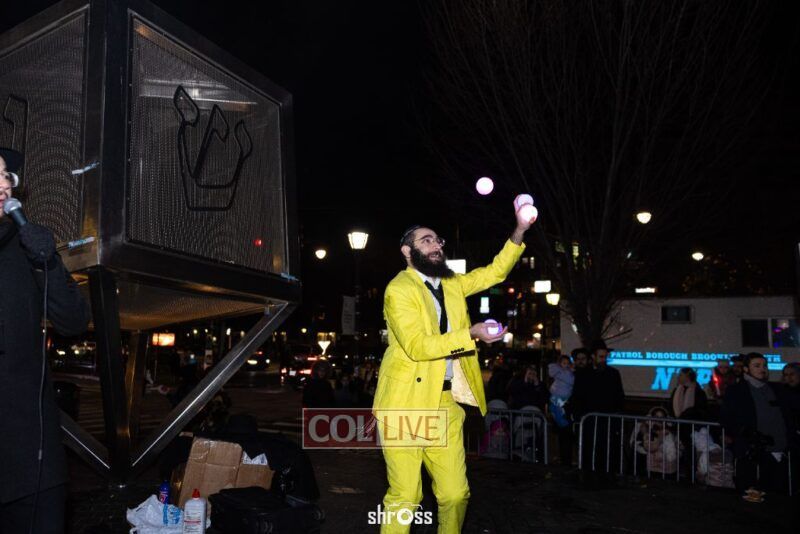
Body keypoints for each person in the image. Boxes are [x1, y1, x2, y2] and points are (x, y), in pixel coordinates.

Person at [373, 198, 532, 533]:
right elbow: (417, 346)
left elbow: (495, 272)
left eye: (438, 240)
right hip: (404, 404)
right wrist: (470, 334)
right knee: (406, 496)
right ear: (407, 251)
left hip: (445, 404)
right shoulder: (398, 289)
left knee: (455, 494)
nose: (436, 246)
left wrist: (519, 230)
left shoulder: (452, 283)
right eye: (426, 240)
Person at [0, 148, 91, 533]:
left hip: (31, 457)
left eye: (5, 174)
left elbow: (74, 321)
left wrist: (48, 262)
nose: (3, 184)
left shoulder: (25, 244)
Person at [721, 353, 797, 502]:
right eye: (757, 366)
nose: (762, 369)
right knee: (752, 498)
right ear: (746, 369)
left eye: (764, 366)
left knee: (777, 498)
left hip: (780, 452)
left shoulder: (777, 389)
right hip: (752, 453)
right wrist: (747, 435)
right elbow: (726, 418)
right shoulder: (736, 391)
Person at [548, 355, 575, 465]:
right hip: (558, 397)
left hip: (564, 399)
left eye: (568, 363)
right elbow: (569, 381)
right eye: (564, 363)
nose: (566, 365)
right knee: (560, 428)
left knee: (563, 432)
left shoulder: (568, 373)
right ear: (559, 364)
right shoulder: (560, 373)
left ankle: (563, 458)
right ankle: (560, 457)